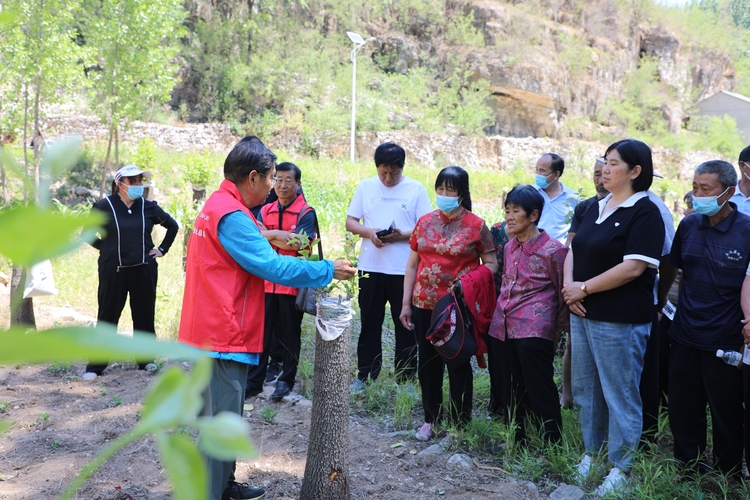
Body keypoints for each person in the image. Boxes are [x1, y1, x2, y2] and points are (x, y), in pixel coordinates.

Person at [178, 136, 356, 500]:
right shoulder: (232, 217)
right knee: (218, 423)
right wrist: (326, 270)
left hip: (213, 328)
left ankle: (224, 487)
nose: (275, 185)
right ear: (254, 177)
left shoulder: (220, 204)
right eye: (273, 177)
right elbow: (272, 266)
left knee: (223, 418)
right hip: (223, 333)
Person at [562, 139, 664, 496]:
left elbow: (633, 267)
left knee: (619, 393)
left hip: (619, 319)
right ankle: (593, 453)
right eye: (605, 162)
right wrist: (569, 288)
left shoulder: (645, 211)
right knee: (587, 387)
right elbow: (574, 248)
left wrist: (584, 288)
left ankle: (621, 466)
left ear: (636, 172)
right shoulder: (597, 206)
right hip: (583, 311)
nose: (605, 169)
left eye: (614, 163)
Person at [399, 166, 497, 442]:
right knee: (427, 364)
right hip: (424, 304)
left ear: (462, 193)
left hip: (456, 307)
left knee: (457, 363)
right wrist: (406, 303)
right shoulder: (425, 222)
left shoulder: (477, 226)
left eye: (449, 190)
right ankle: (431, 419)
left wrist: (468, 282)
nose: (443, 195)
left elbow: (491, 264)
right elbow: (411, 265)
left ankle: (459, 423)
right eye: (440, 189)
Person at [669, 160, 749, 478]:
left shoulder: (745, 231)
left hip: (725, 338)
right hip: (685, 334)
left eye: (706, 189)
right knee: (684, 408)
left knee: (726, 410)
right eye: (694, 187)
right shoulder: (688, 225)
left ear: (728, 192)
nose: (697, 194)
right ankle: (689, 469)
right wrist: (666, 314)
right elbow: (673, 274)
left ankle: (727, 471)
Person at [346, 142, 433, 392]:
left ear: (402, 168)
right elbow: (351, 222)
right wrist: (369, 231)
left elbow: (424, 227)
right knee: (369, 323)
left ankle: (405, 379)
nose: (388, 177)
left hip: (403, 270)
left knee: (406, 324)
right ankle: (365, 376)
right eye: (383, 171)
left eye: (393, 172)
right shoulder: (366, 186)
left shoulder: (415, 189)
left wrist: (402, 235)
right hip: (370, 267)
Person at [487, 185, 567, 444]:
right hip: (503, 324)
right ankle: (516, 437)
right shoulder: (510, 247)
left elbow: (562, 291)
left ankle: (551, 442)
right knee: (508, 385)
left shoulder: (554, 251)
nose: (509, 216)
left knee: (539, 385)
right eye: (507, 210)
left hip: (534, 329)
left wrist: (557, 333)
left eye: (516, 211)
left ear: (533, 215)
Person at [84, 164, 178, 380]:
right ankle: (96, 365)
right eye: (133, 181)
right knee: (107, 316)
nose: (138, 185)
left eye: (140, 181)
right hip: (112, 271)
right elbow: (86, 234)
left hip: (143, 270)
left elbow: (172, 226)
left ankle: (146, 361)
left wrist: (162, 249)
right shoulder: (102, 207)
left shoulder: (149, 207)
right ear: (120, 184)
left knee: (144, 316)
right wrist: (106, 249)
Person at [245, 162, 317, 401]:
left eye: (288, 181)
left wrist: (268, 236)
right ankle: (255, 381)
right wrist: (278, 236)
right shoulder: (265, 209)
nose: (282, 185)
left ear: (298, 184)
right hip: (264, 283)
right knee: (262, 334)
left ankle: (286, 380)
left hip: (291, 282)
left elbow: (300, 244)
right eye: (278, 180)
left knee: (290, 335)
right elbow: (253, 239)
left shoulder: (306, 212)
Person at [561, 157, 607, 408]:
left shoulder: (633, 209)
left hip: (606, 288)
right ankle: (568, 395)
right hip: (578, 287)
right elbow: (571, 247)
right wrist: (571, 288)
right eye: (596, 174)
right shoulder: (585, 208)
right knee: (573, 343)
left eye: (605, 173)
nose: (600, 180)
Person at [534, 152, 579, 244]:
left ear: (556, 175)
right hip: (532, 252)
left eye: (542, 171)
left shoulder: (572, 198)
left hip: (560, 254)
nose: (538, 174)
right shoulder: (531, 194)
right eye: (537, 170)